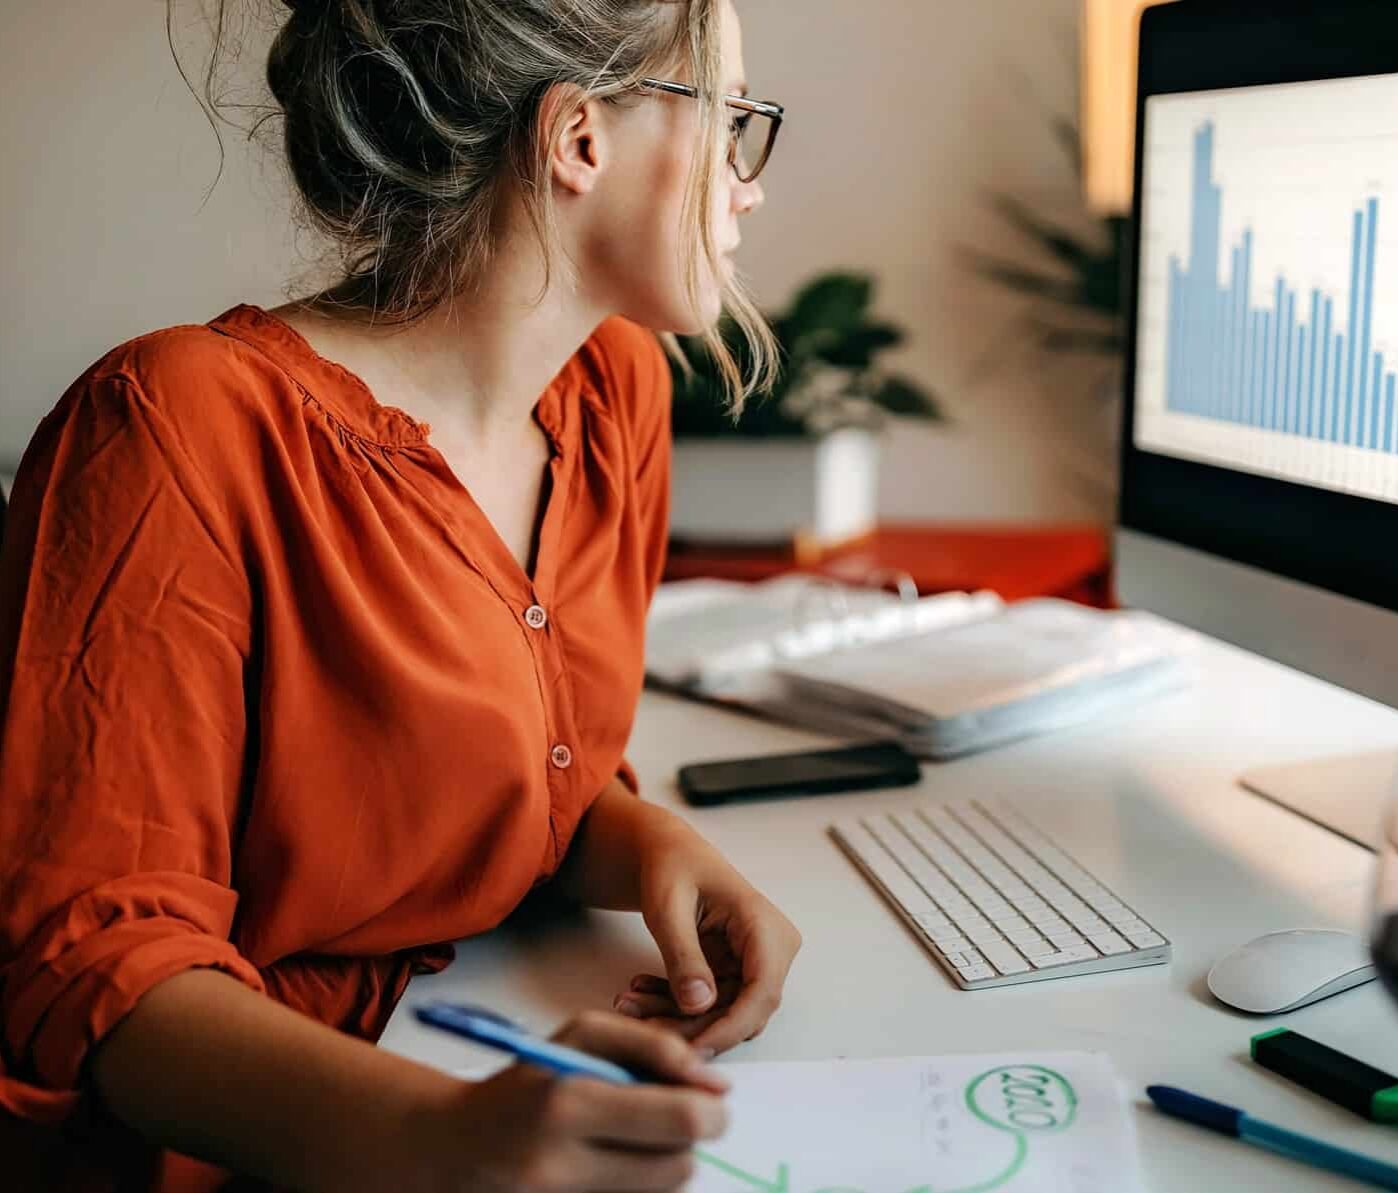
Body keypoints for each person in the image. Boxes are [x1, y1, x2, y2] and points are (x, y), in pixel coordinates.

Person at [0, 1, 799, 1189]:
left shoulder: (613, 393)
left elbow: (526, 781)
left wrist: (650, 845)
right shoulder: (175, 427)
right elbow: (85, 963)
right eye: (733, 119)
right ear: (579, 138)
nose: (750, 186)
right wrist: (436, 1138)